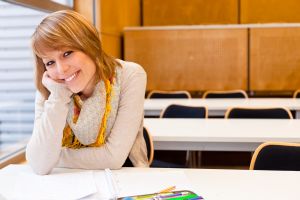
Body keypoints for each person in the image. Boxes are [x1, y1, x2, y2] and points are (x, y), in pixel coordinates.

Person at [26, 10, 148, 175]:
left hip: (125, 177)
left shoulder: (130, 75)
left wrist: (55, 156)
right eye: (50, 62)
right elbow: (39, 164)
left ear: (90, 45)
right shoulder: (51, 87)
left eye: (67, 53)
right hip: (66, 183)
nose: (61, 70)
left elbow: (114, 158)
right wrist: (58, 98)